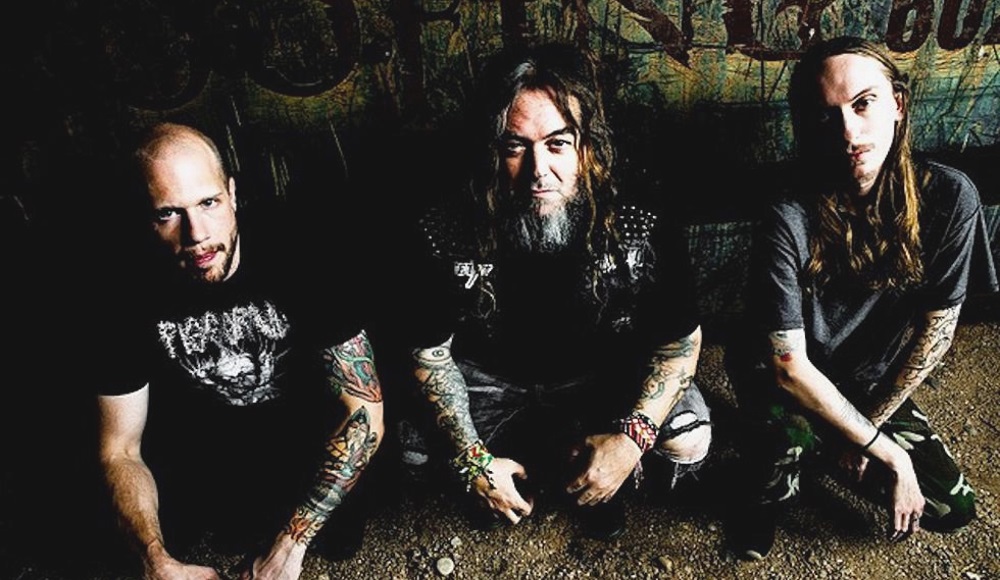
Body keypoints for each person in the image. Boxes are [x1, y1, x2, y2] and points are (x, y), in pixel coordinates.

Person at [393, 42, 713, 539]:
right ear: (492, 149)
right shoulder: (447, 220)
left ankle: (588, 473)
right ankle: (522, 472)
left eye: (558, 144)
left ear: (588, 145)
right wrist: (472, 459)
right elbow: (429, 354)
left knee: (688, 435)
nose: (539, 170)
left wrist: (630, 442)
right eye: (515, 147)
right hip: (491, 378)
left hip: (599, 372)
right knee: (410, 446)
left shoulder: (637, 214)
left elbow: (679, 345)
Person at [725, 36, 998, 560]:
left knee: (951, 507)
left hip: (865, 379)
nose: (848, 132)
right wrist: (884, 451)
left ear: (898, 104)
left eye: (863, 103)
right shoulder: (787, 213)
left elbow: (935, 333)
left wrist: (866, 428)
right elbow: (788, 368)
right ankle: (766, 490)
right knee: (786, 445)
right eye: (826, 116)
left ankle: (822, 447)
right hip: (781, 376)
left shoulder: (949, 196)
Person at [96, 122, 385, 579]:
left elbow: (363, 411)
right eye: (168, 213)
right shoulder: (119, 289)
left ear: (232, 194)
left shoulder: (304, 252)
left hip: (301, 438)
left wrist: (291, 545)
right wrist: (153, 559)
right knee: (134, 537)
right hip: (201, 448)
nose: (196, 233)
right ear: (143, 216)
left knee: (342, 532)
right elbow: (120, 449)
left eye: (208, 203)